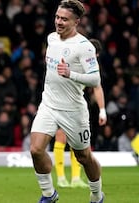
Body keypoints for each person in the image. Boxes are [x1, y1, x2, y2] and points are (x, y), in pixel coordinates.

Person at [29, 1, 105, 203]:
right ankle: (49, 194)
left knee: (83, 157)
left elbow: (95, 79)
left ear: (76, 22)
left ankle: (97, 195)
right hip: (49, 105)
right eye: (57, 17)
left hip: (73, 110)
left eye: (64, 19)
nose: (58, 22)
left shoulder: (84, 47)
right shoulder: (51, 38)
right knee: (36, 149)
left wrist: (71, 74)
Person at [54, 38, 107, 188]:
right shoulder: (73, 59)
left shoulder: (91, 67)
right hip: (60, 101)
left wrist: (102, 111)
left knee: (76, 140)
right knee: (61, 136)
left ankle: (76, 178)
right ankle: (61, 178)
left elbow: (97, 87)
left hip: (76, 103)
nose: (94, 59)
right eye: (94, 55)